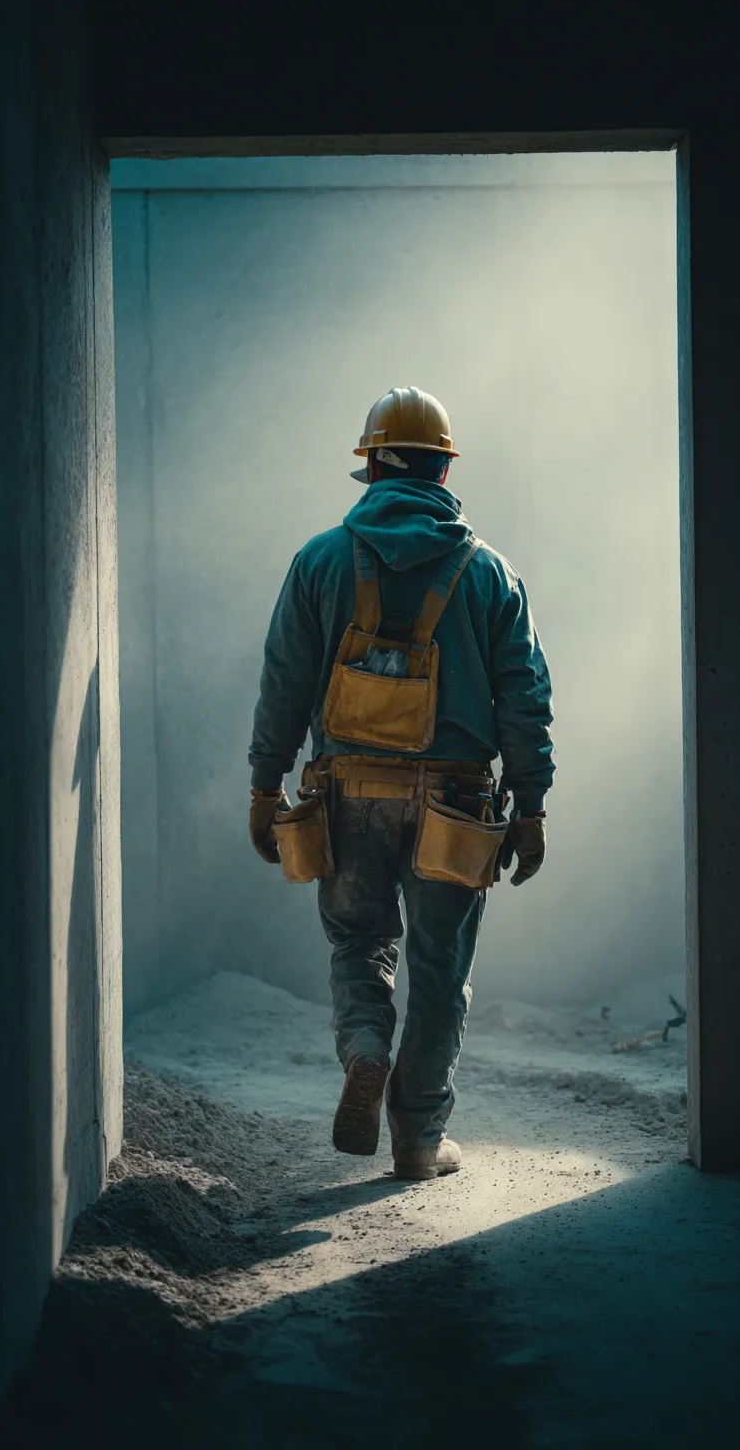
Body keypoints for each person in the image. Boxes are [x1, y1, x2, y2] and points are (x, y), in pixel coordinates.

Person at [249, 386, 554, 1180]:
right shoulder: (490, 573)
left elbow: (284, 684)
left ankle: (365, 1048)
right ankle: (418, 1142)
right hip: (456, 804)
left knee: (359, 942)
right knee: (440, 968)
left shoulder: (318, 561)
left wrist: (264, 785)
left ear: (374, 467)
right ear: (445, 469)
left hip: (347, 794)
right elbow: (525, 697)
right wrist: (530, 804)